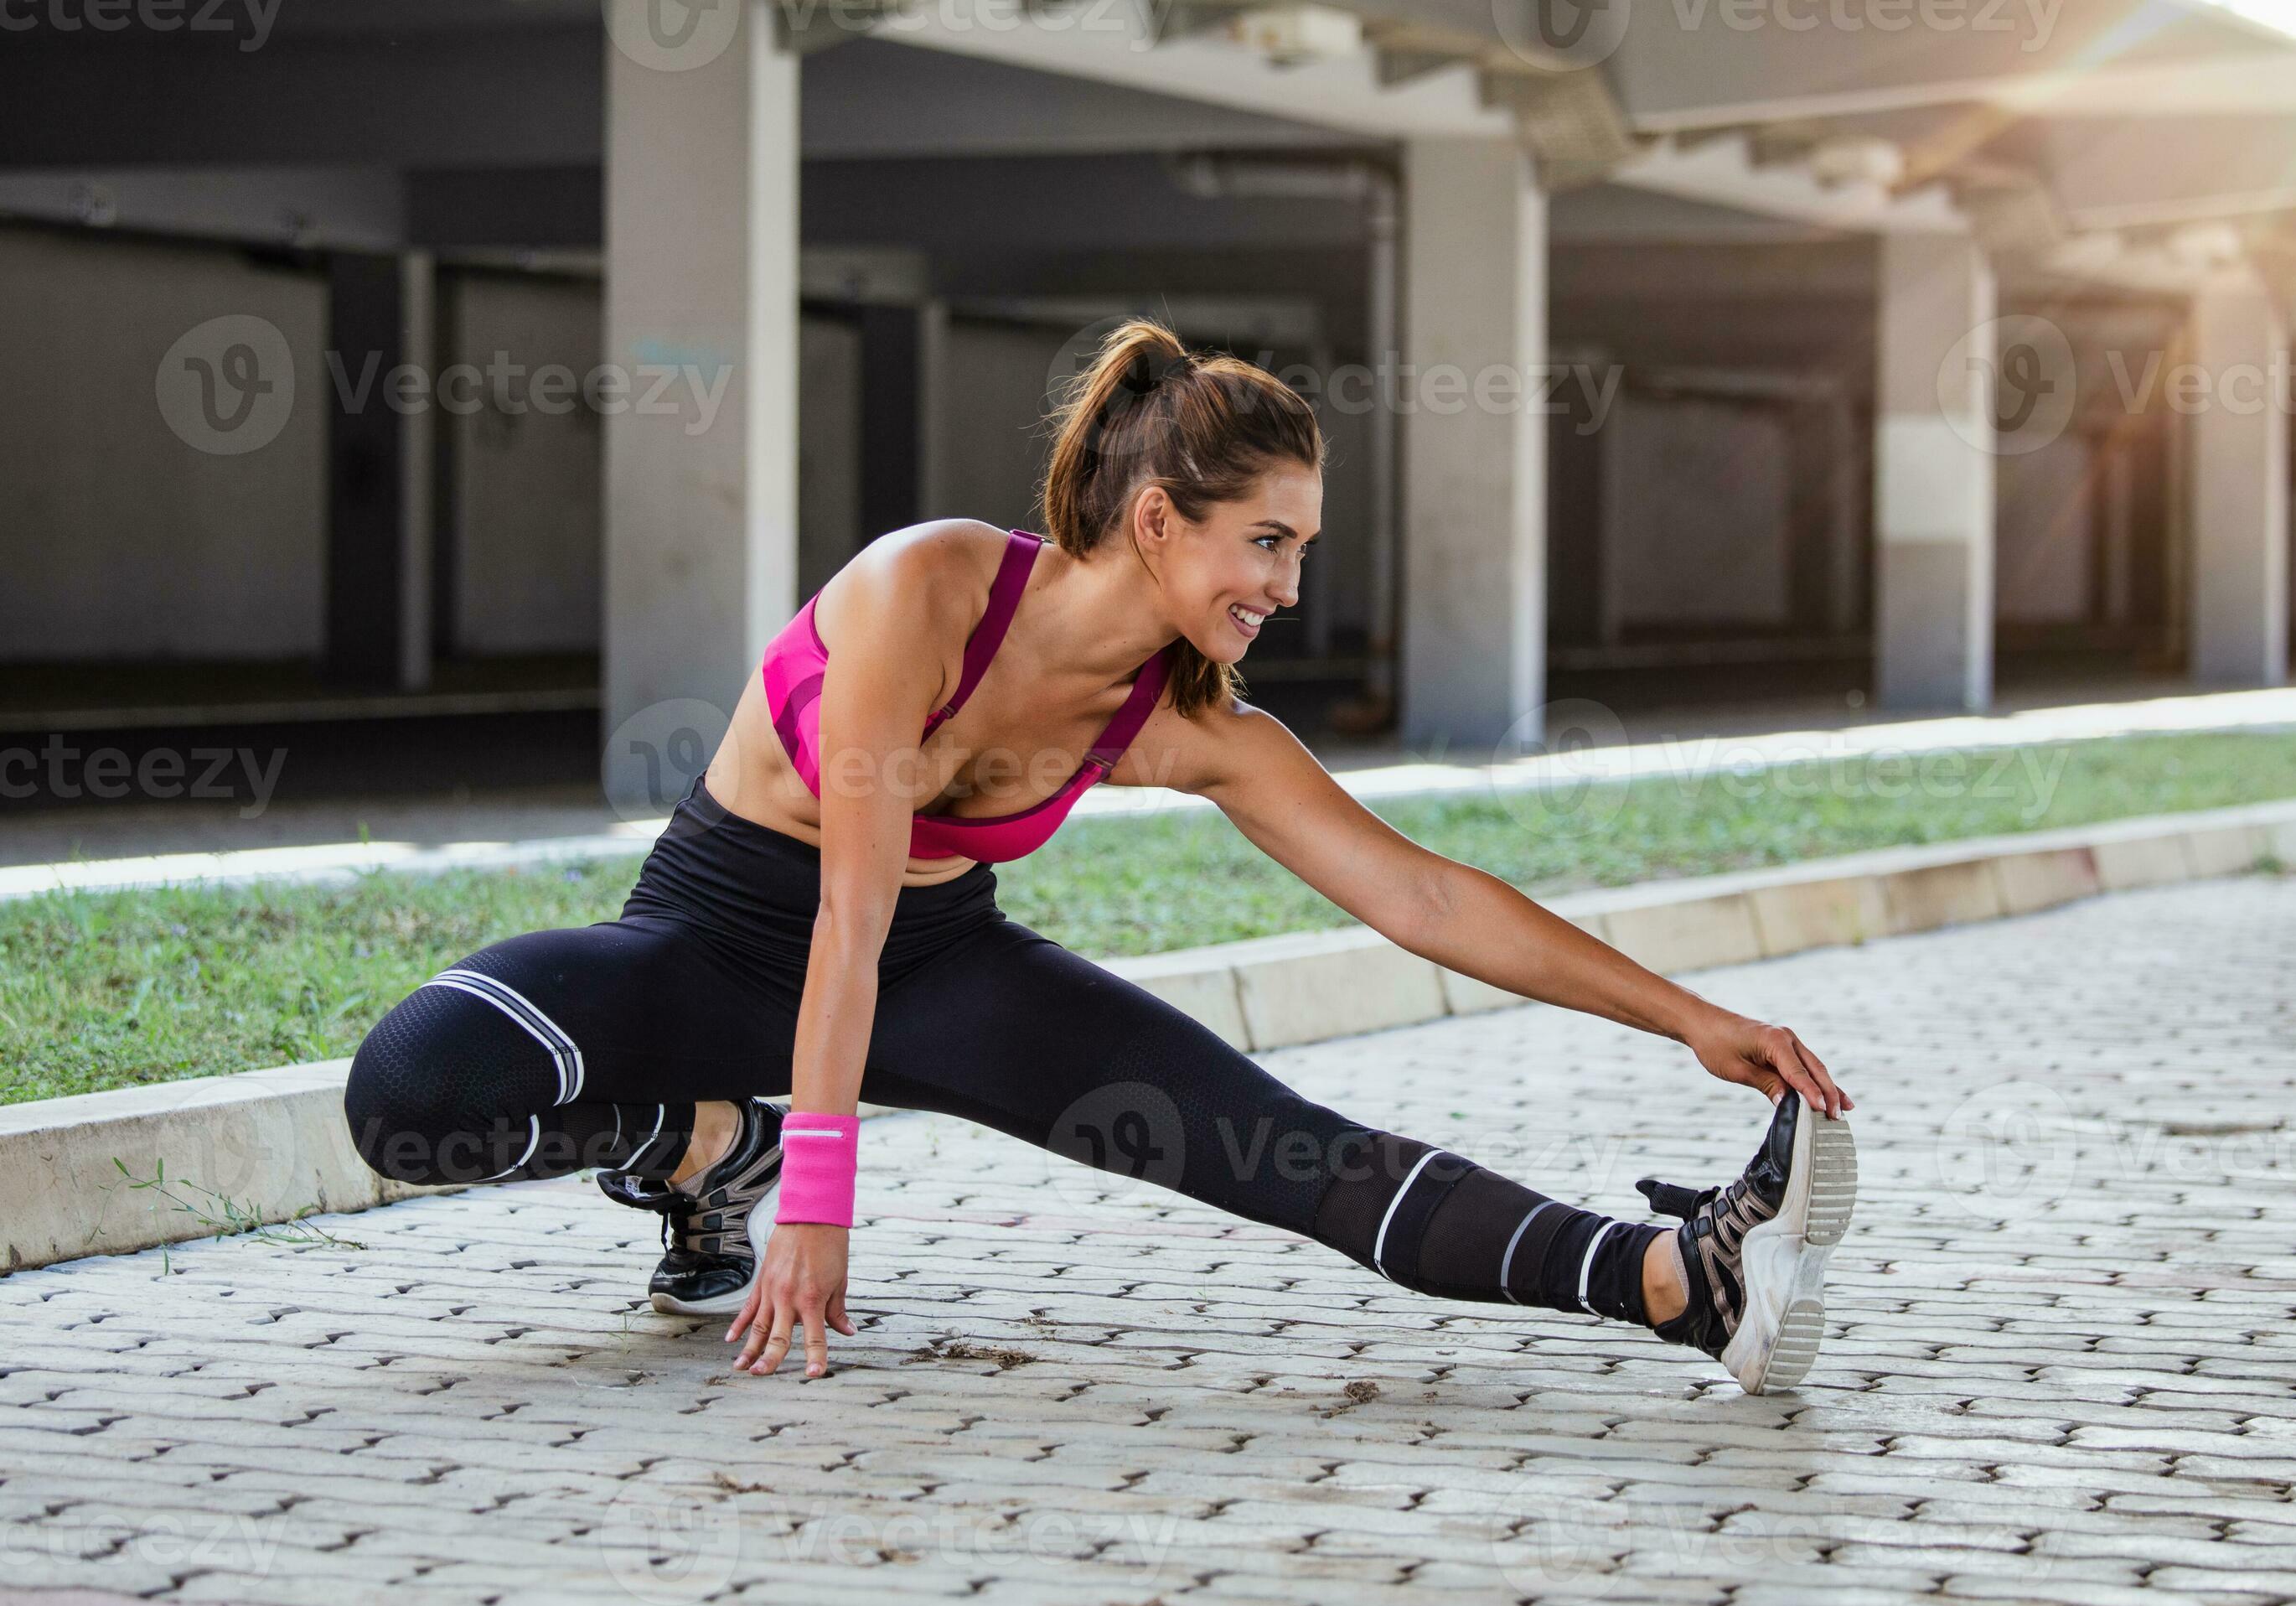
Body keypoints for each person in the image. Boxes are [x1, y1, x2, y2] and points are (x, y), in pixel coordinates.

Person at [343, 320, 1857, 1395]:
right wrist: (806, 1194)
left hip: (943, 972)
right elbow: (841, 917)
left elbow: (1426, 896)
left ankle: (1679, 1282)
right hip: (715, 941)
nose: (1288, 584)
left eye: (1304, 549)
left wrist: (1691, 1016)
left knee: (1284, 1151)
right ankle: (699, 1152)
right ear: (1155, 519)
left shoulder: (1196, 725)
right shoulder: (918, 592)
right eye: (1267, 543)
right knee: (412, 1094)